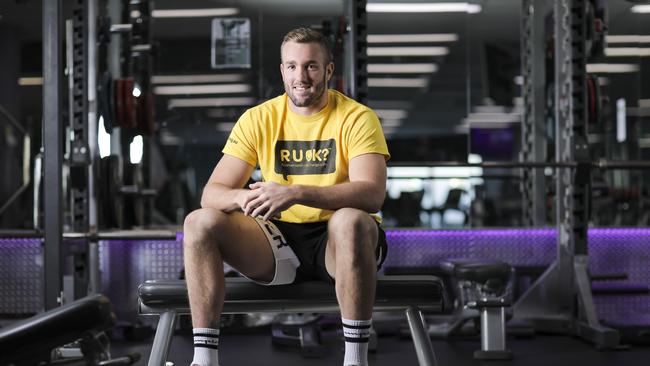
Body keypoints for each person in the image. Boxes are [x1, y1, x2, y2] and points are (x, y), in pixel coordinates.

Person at [183, 27, 390, 366]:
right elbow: (211, 194)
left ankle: (355, 360)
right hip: (277, 243)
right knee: (199, 222)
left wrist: (296, 193)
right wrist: (243, 198)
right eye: (291, 66)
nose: (301, 76)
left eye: (310, 66)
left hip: (341, 244)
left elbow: (372, 195)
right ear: (282, 71)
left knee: (351, 219)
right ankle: (204, 360)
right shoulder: (258, 119)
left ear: (328, 70)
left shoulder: (357, 118)